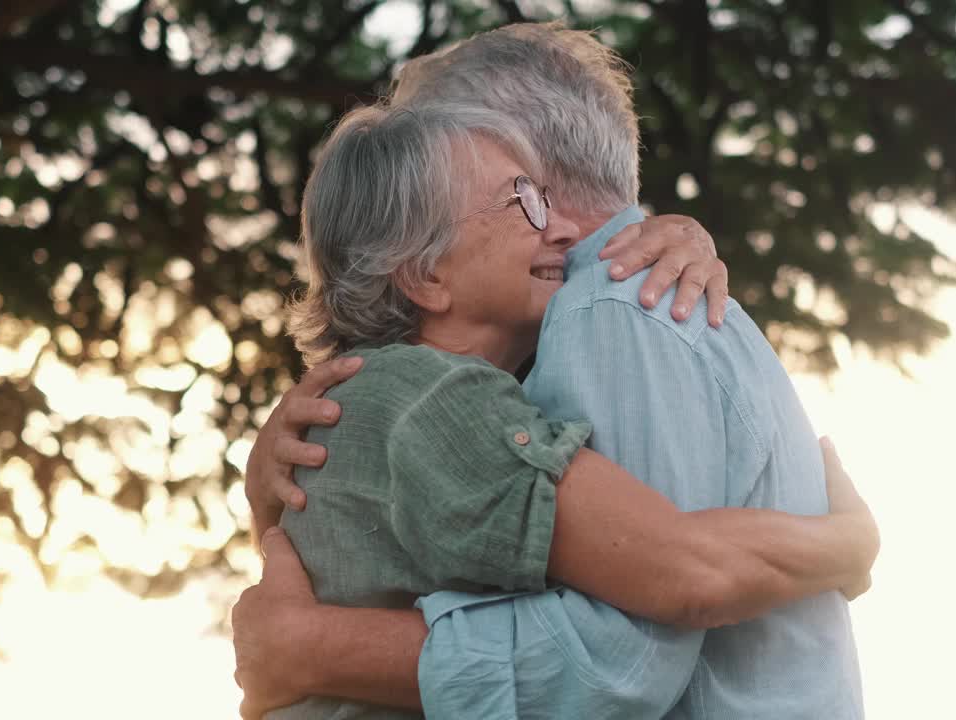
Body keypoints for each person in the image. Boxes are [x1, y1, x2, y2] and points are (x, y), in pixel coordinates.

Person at [235, 23, 871, 720]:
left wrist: (314, 648)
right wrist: (843, 546)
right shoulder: (449, 388)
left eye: (534, 188)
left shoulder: (611, 307)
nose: (557, 229)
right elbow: (649, 620)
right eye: (519, 197)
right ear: (423, 269)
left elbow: (638, 632)